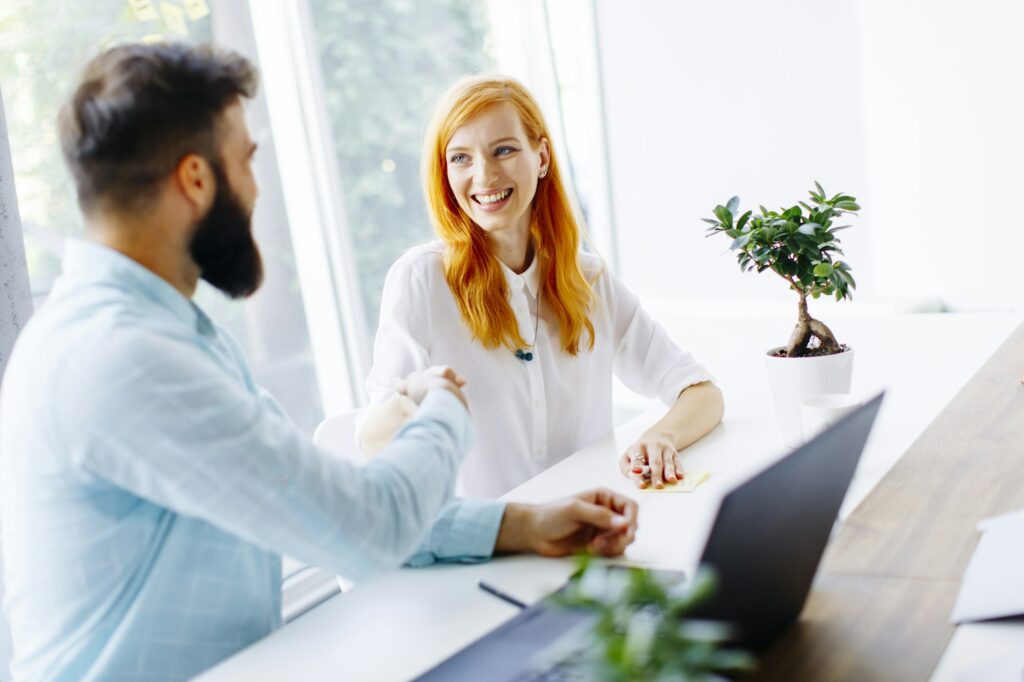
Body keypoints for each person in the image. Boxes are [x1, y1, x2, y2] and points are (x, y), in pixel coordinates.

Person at [0, 43, 638, 681]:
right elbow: (370, 527)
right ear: (197, 179)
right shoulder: (123, 357)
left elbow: (329, 504)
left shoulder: (171, 335)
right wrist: (440, 406)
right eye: (247, 159)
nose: (255, 188)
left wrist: (524, 524)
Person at [359, 75, 724, 498]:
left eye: (504, 150)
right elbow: (375, 442)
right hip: (494, 543)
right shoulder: (421, 280)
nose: (484, 175)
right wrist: (413, 400)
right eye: (460, 158)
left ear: (543, 157)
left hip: (594, 534)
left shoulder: (589, 280)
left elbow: (702, 393)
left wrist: (662, 437)